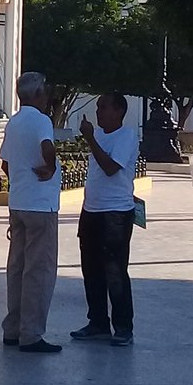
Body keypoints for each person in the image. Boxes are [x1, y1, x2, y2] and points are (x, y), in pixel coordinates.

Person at [0, 71, 62, 354]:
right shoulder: (41, 121)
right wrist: (50, 166)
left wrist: (20, 180)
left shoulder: (13, 122)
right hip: (41, 204)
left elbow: (5, 164)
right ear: (37, 94)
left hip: (19, 202)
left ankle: (13, 327)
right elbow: (47, 147)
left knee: (17, 267)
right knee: (39, 270)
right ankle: (32, 333)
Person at [71, 93, 139, 347]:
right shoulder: (98, 134)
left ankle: (123, 326)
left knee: (115, 271)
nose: (98, 112)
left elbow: (111, 168)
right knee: (91, 269)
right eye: (97, 107)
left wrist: (89, 139)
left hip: (115, 214)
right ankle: (98, 322)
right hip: (91, 210)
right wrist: (92, 138)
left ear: (119, 111)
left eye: (103, 107)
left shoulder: (126, 136)